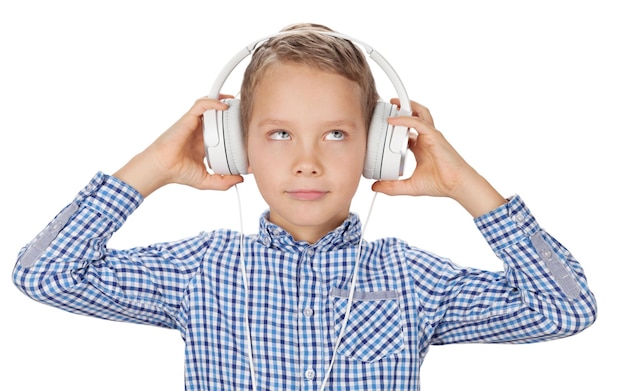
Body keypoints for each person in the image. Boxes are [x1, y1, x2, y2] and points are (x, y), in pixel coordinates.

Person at [12, 23, 597, 390]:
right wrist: (154, 167)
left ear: (380, 147)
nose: (308, 162)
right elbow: (45, 273)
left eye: (337, 135)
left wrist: (464, 183)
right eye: (279, 134)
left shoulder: (411, 278)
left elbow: (566, 310)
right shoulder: (203, 271)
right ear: (236, 144)